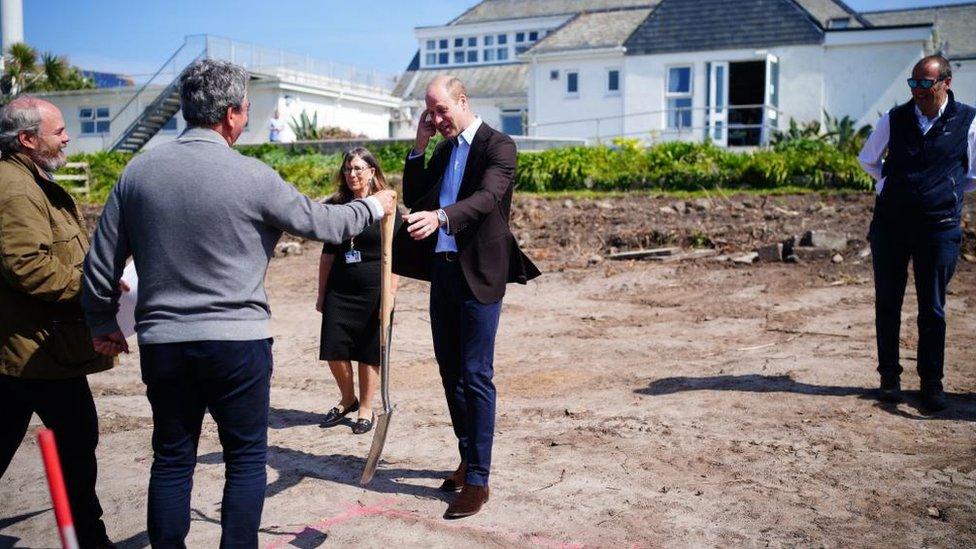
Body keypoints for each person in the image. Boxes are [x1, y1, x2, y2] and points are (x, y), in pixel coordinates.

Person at [80, 59, 396, 548]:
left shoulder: (137, 173)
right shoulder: (251, 176)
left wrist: (102, 321)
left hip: (164, 345)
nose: (247, 116)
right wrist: (375, 205)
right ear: (230, 114)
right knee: (246, 459)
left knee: (171, 458)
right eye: (246, 108)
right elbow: (326, 224)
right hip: (237, 344)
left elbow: (99, 264)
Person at [394, 75, 540, 519]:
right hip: (444, 273)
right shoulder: (441, 148)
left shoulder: (500, 146)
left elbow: (486, 198)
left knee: (476, 374)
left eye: (441, 111)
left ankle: (478, 480)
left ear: (462, 101)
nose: (436, 120)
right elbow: (416, 195)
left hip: (480, 274)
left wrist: (440, 217)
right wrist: (419, 148)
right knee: (450, 372)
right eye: (429, 113)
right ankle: (466, 455)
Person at [0, 97, 115, 548]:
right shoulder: (14, 189)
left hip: (40, 349)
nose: (68, 137)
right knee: (76, 441)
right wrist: (94, 286)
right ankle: (92, 538)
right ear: (27, 139)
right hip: (31, 351)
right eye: (59, 130)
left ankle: (90, 535)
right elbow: (28, 266)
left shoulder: (27, 179)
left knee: (77, 440)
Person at [858, 54, 976, 412]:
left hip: (938, 228)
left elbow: (973, 174)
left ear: (946, 83)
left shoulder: (968, 121)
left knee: (933, 308)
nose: (919, 91)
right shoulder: (895, 119)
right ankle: (889, 379)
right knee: (888, 302)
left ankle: (931, 383)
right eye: (914, 84)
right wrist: (889, 185)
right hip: (891, 225)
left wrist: (948, 192)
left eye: (926, 84)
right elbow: (868, 159)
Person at [317, 147, 402, 434]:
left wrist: (389, 296)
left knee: (369, 351)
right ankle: (348, 399)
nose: (352, 174)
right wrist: (321, 294)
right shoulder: (338, 206)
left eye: (358, 169)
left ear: (372, 171)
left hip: (374, 289)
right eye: (348, 169)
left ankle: (365, 407)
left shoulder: (387, 205)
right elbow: (327, 255)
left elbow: (396, 256)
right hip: (340, 290)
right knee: (334, 348)